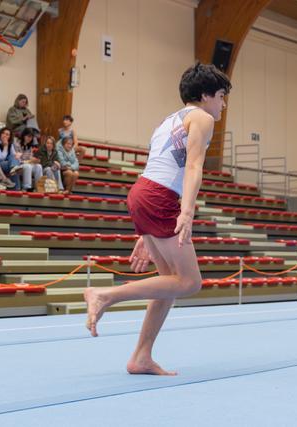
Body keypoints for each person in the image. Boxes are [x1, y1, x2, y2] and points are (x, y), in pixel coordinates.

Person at [83, 63, 231, 376]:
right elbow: (192, 167)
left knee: (169, 285)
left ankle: (141, 357)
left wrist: (145, 234)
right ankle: (106, 295)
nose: (223, 104)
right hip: (160, 198)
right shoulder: (202, 117)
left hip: (143, 192)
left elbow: (160, 167)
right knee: (190, 282)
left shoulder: (169, 120)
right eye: (220, 96)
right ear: (205, 96)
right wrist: (187, 212)